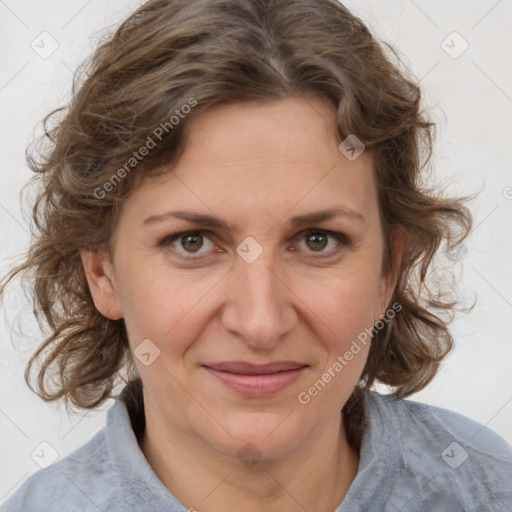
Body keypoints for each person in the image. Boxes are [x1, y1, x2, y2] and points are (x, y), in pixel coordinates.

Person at [1, 0, 511, 510]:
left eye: (317, 240)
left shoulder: (487, 487)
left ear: (387, 273)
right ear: (101, 272)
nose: (261, 322)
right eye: (192, 242)